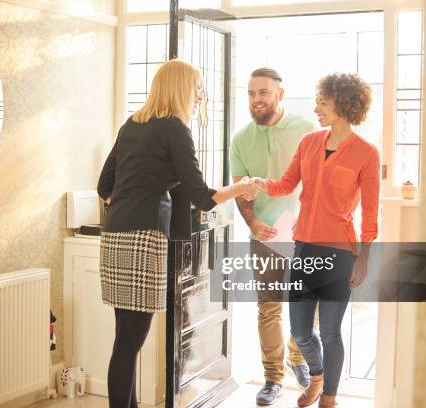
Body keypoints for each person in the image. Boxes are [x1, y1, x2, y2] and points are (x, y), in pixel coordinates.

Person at [97, 59, 259, 408]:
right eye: (198, 89)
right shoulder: (175, 128)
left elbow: (103, 186)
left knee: (126, 340)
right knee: (129, 342)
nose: (200, 97)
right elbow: (202, 196)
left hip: (114, 237)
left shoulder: (132, 125)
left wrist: (139, 190)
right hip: (143, 238)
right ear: (182, 89)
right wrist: (241, 187)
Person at [252, 72, 380, 408]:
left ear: (343, 104)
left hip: (340, 253)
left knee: (331, 332)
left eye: (323, 102)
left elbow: (370, 213)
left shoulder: (366, 153)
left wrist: (364, 258)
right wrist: (260, 183)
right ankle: (318, 378)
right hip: (305, 248)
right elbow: (286, 184)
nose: (316, 108)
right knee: (300, 331)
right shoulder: (309, 142)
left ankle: (329, 398)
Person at [229, 67, 315, 405]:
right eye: (251, 93)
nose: (256, 100)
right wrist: (252, 224)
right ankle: (272, 378)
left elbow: (318, 182)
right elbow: (240, 190)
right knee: (269, 307)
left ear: (280, 94)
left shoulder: (306, 130)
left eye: (263, 92)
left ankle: (298, 357)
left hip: (306, 232)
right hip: (265, 234)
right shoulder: (240, 140)